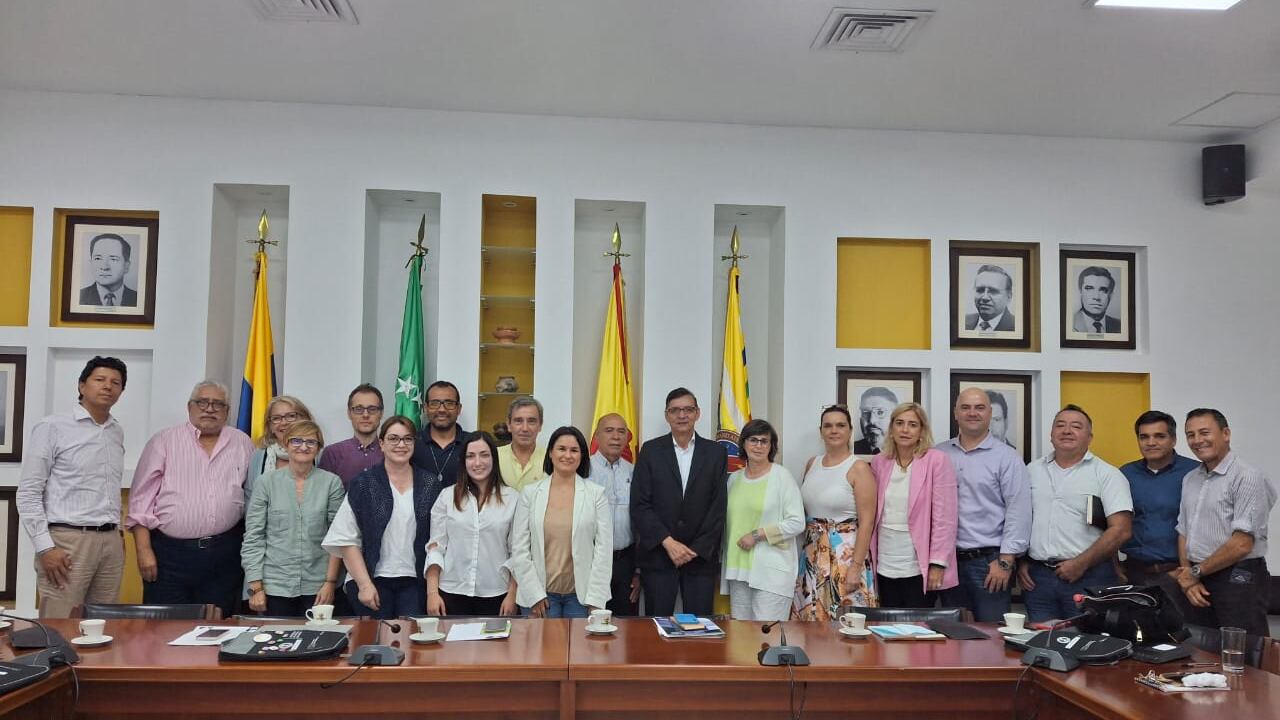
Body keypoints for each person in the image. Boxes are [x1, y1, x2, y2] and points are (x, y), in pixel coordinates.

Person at [126, 380, 256, 618]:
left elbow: (252, 494)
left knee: (219, 628)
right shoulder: (163, 441)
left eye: (218, 404)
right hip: (170, 556)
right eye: (202, 402)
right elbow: (140, 502)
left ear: (227, 411)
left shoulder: (242, 442)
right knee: (165, 631)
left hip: (225, 554)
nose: (210, 408)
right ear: (190, 407)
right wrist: (143, 550)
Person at [17, 356, 128, 618]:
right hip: (67, 541)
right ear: (81, 386)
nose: (108, 387)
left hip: (110, 543)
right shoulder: (52, 427)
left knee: (103, 625)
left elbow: (108, 489)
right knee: (60, 623)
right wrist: (45, 547)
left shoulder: (115, 431)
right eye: (100, 380)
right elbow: (29, 492)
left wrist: (119, 532)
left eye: (116, 383)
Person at [323, 416, 450, 619]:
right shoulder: (364, 483)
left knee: (412, 645)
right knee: (375, 645)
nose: (401, 444)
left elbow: (437, 540)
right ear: (381, 444)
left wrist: (431, 591)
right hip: (371, 580)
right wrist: (364, 585)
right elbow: (346, 539)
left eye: (408, 439)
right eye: (393, 438)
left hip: (415, 582)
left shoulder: (430, 484)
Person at [1018, 405, 1132, 622]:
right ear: (1051, 435)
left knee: (1088, 644)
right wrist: (1022, 560)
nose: (1067, 431)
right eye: (1060, 425)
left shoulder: (1107, 475)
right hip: (1038, 578)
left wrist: (1080, 563)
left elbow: (1122, 530)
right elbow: (1021, 518)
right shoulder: (1031, 471)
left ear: (1090, 437)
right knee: (1043, 645)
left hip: (1089, 575)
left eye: (1076, 426)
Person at [1167, 409, 1275, 638]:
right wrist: (1188, 577)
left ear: (1226, 433)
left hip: (1238, 577)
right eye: (1191, 434)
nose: (1197, 440)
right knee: (1203, 650)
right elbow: (1184, 531)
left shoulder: (1247, 476)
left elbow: (1242, 544)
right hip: (1198, 577)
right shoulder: (1190, 478)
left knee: (1243, 653)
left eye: (1204, 432)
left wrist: (1195, 572)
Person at [630, 388, 728, 617]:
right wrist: (668, 543)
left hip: (700, 559)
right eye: (675, 410)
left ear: (697, 413)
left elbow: (718, 507)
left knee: (699, 629)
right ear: (667, 415)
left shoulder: (715, 453)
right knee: (657, 628)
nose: (681, 415)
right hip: (659, 556)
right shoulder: (651, 451)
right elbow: (640, 504)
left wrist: (696, 549)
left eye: (687, 409)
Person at [936, 388, 1031, 621]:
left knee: (991, 642)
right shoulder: (939, 454)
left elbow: (1019, 512)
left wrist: (1006, 562)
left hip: (989, 564)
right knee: (950, 637)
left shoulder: (1007, 458)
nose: (972, 413)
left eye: (979, 408)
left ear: (989, 413)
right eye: (965, 407)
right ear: (955, 413)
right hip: (947, 562)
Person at [241, 420, 345, 617]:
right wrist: (255, 587)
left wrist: (330, 582)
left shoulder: (331, 483)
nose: (304, 447)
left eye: (311, 442)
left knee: (318, 642)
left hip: (319, 585)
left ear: (318, 448)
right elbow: (254, 536)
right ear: (286, 444)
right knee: (277, 644)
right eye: (297, 441)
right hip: (274, 585)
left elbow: (337, 538)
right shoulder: (266, 483)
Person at [511, 426, 612, 618]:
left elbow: (603, 551)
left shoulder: (596, 494)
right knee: (540, 648)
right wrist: (534, 594)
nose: (567, 455)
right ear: (550, 453)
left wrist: (596, 599)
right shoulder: (530, 494)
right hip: (540, 596)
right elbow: (519, 548)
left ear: (582, 456)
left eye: (574, 450)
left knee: (581, 648)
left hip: (581, 597)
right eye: (561, 449)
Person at [869, 403, 958, 608]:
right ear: (891, 429)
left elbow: (945, 518)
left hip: (919, 561)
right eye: (899, 423)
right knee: (887, 625)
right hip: (885, 557)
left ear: (922, 431)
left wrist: (937, 563)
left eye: (912, 424)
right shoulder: (879, 462)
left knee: (916, 628)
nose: (905, 429)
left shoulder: (936, 460)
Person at [794, 405, 878, 620]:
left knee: (844, 623)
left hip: (846, 556)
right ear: (820, 430)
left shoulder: (859, 468)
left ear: (850, 430)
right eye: (828, 425)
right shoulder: (812, 463)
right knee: (811, 623)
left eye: (840, 425)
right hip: (812, 554)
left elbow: (867, 523)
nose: (834, 430)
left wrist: (855, 568)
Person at [425, 431, 519, 617]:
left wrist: (512, 595)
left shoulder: (513, 498)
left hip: (496, 593)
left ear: (494, 459)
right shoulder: (447, 496)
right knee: (451, 646)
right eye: (470, 456)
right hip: (451, 592)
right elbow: (436, 547)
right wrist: (432, 593)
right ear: (463, 461)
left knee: (496, 646)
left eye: (484, 455)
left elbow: (517, 552)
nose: (477, 463)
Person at [720, 419, 804, 621]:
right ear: (743, 444)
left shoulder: (781, 477)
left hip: (770, 574)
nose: (758, 445)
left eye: (764, 441)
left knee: (767, 639)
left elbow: (797, 522)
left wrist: (757, 534)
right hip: (737, 571)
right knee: (741, 641)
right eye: (753, 440)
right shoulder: (734, 479)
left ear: (771, 446)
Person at [1118, 410, 1199, 587]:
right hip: (1133, 573)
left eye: (1159, 436)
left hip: (1180, 574)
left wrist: (1190, 572)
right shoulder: (1125, 474)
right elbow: (1109, 525)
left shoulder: (1195, 473)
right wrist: (1116, 568)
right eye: (1144, 437)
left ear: (1174, 439)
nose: (1151, 443)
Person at [587, 413, 641, 616]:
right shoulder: (583, 470)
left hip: (625, 561)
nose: (616, 437)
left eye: (621, 432)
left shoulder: (635, 471)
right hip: (591, 562)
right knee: (592, 625)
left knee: (625, 629)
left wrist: (638, 571)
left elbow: (641, 521)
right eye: (609, 431)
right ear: (597, 437)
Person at [245, 395, 315, 500]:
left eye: (291, 416)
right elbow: (250, 497)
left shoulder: (318, 454)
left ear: (304, 420)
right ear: (270, 427)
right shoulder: (259, 455)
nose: (284, 422)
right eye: (276, 418)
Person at [317, 383, 385, 488]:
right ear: (349, 413)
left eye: (372, 409)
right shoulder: (332, 454)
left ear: (381, 413)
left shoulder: (392, 452)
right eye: (358, 409)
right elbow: (323, 495)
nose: (365, 415)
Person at [410, 380, 467, 488]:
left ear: (459, 409)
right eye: (434, 404)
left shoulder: (472, 443)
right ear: (425, 408)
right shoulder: (411, 442)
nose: (442, 409)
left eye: (449, 403)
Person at [497, 397, 546, 491]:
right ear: (508, 425)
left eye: (531, 421)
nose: (525, 428)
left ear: (540, 425)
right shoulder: (494, 457)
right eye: (518, 421)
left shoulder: (551, 459)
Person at [78, 233, 137, 307]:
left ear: (126, 266)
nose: (104, 267)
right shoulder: (78, 298)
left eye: (113, 259)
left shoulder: (137, 300)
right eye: (98, 258)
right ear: (91, 263)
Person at [963, 264, 1015, 332]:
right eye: (980, 290)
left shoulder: (1017, 327)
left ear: (1009, 297)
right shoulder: (963, 321)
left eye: (993, 291)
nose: (985, 297)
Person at [1071, 266, 1121, 334]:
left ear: (1111, 295)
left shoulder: (1120, 326)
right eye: (1089, 288)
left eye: (1103, 290)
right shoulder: (1069, 323)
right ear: (1080, 291)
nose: (1096, 297)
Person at [852, 387, 896, 455]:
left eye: (880, 412)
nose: (872, 420)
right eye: (866, 413)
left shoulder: (904, 451)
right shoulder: (850, 450)